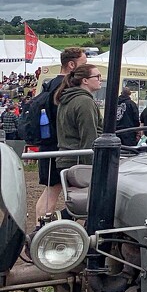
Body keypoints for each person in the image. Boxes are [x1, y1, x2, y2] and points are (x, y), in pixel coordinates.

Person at [35, 47, 87, 220]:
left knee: (52, 190)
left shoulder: (49, 84)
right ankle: (39, 231)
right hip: (57, 147)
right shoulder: (63, 88)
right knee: (52, 192)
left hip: (48, 145)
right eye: (83, 64)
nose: (85, 68)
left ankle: (40, 230)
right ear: (71, 65)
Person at [51, 64, 103, 218]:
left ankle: (58, 222)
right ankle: (58, 222)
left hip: (67, 158)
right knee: (93, 203)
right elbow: (89, 137)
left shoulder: (67, 99)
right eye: (97, 77)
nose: (101, 80)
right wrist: (91, 167)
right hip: (79, 160)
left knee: (81, 205)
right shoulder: (84, 102)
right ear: (85, 80)